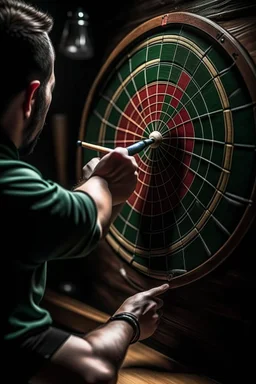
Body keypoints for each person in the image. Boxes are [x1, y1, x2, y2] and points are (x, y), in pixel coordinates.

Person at [1, 1, 170, 383]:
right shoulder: (12, 185)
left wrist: (96, 186)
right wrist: (129, 319)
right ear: (32, 98)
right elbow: (86, 217)